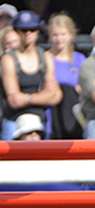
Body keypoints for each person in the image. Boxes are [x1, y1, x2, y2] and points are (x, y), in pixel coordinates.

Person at [1, 11, 62, 140]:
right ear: (16, 32)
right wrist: (43, 95)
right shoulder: (8, 58)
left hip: (39, 121)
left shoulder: (45, 57)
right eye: (23, 30)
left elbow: (56, 96)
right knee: (9, 154)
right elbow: (14, 100)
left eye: (32, 29)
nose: (28, 33)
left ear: (38, 31)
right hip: (14, 121)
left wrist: (27, 98)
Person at [47, 13, 86, 139]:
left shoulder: (79, 59)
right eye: (55, 35)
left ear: (71, 35)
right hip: (51, 115)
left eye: (63, 34)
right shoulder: (45, 58)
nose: (59, 38)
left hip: (74, 115)